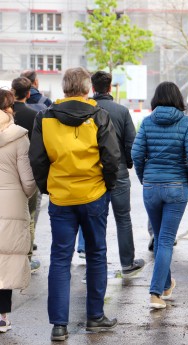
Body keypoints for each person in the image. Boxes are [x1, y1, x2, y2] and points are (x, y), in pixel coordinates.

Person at [29, 67, 120, 341]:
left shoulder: (44, 118)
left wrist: (48, 187)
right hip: (93, 195)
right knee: (95, 254)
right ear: (87, 88)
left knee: (59, 258)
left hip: (61, 197)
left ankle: (59, 324)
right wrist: (106, 186)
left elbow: (37, 159)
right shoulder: (99, 116)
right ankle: (95, 316)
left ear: (64, 88)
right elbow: (112, 158)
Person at [131, 81, 188, 309]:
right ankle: (155, 292)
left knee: (161, 238)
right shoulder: (187, 123)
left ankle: (167, 283)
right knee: (166, 239)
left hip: (151, 186)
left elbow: (137, 153)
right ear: (178, 99)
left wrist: (145, 178)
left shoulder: (148, 122)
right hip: (176, 185)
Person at [91, 71, 144, 277]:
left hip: (92, 172)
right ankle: (127, 263)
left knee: (95, 219)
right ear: (110, 86)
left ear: (92, 88)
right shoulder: (122, 111)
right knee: (123, 218)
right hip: (119, 170)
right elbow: (131, 142)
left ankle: (94, 267)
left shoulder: (88, 109)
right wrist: (128, 164)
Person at [0, 89, 37, 334]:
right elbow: (28, 181)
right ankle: (1, 317)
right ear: (9, 108)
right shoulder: (18, 137)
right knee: (6, 259)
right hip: (11, 201)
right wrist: (26, 194)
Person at [11, 76, 41, 273]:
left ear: (13, 92)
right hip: (29, 171)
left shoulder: (6, 115)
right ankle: (27, 259)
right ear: (29, 94)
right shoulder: (34, 116)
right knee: (29, 216)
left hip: (7, 171)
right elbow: (39, 147)